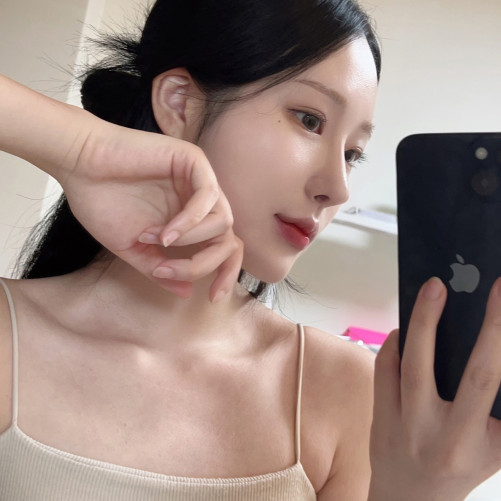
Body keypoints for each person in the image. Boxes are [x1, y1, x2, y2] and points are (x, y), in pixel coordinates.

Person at [0, 0, 500, 500]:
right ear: (180, 103)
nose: (337, 188)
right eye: (309, 120)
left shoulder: (343, 388)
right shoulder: (10, 335)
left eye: (352, 154)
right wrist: (81, 149)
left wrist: (418, 492)